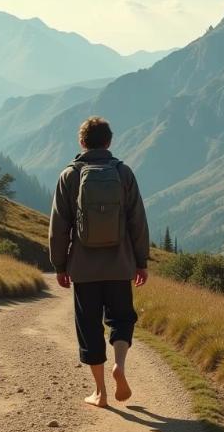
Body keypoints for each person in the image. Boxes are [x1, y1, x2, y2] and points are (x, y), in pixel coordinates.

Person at [49, 116, 150, 407]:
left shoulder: (69, 175)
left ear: (82, 142)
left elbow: (59, 227)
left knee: (89, 326)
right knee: (121, 318)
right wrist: (141, 261)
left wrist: (59, 265)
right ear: (109, 141)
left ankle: (101, 393)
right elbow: (138, 222)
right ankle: (120, 364)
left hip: (83, 268)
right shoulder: (123, 173)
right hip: (119, 266)